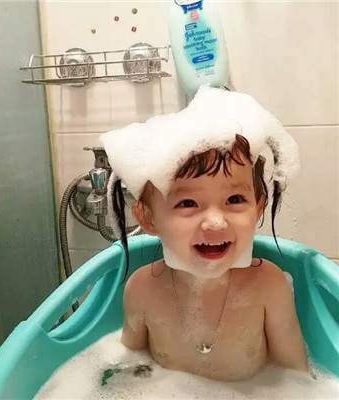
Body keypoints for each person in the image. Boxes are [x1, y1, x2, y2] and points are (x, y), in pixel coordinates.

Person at [99, 86, 309, 382]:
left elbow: (296, 378)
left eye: (234, 199)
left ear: (258, 207)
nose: (215, 222)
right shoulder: (142, 289)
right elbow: (130, 367)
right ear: (147, 219)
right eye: (187, 203)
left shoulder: (269, 286)